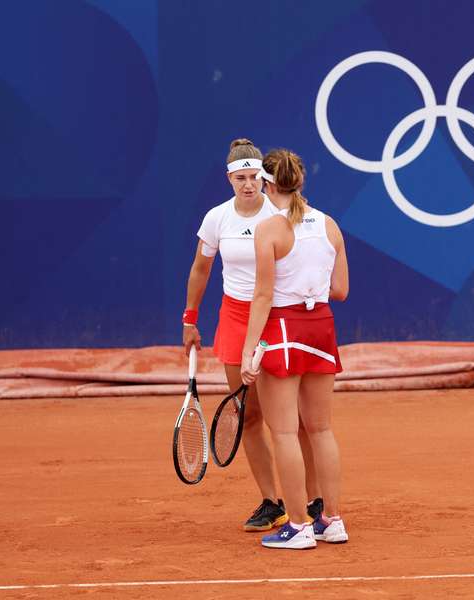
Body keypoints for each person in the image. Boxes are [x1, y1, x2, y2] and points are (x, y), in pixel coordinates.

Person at [183, 139, 322, 531]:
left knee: (294, 418)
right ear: (229, 179)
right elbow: (200, 270)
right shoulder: (217, 218)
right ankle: (270, 501)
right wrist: (189, 320)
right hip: (234, 318)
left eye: (254, 178)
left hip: (276, 317)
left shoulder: (281, 214)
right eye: (240, 178)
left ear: (265, 178)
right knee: (249, 415)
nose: (248, 185)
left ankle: (313, 500)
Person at [241, 148, 349, 550]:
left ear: (268, 184)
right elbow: (340, 291)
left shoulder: (269, 230)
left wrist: (252, 349)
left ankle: (300, 527)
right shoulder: (330, 226)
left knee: (284, 432)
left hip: (282, 330)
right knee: (320, 429)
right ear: (300, 181)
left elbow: (263, 294)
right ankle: (332, 521)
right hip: (321, 329)